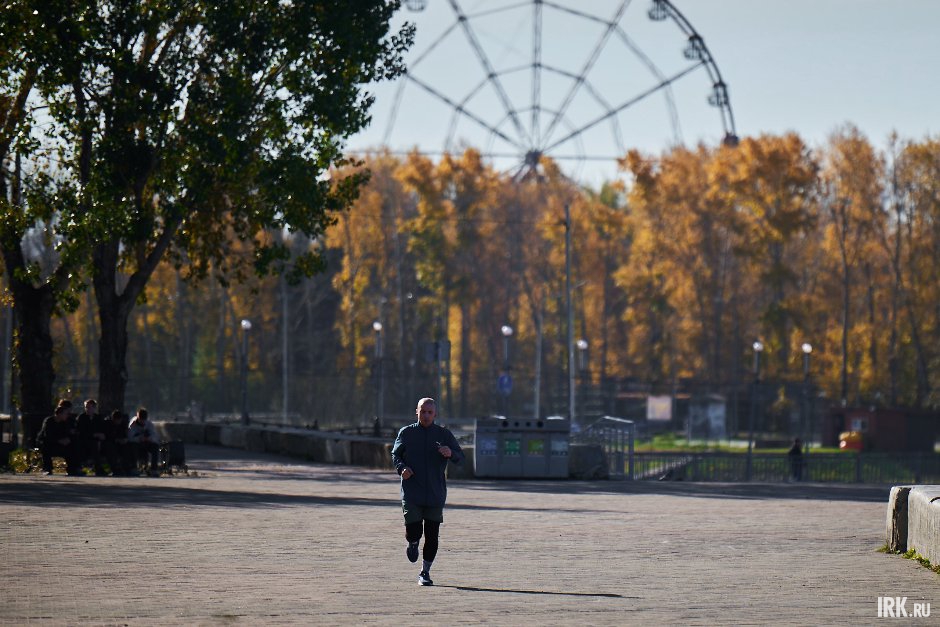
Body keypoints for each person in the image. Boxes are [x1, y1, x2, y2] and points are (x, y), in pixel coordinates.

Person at [391, 397, 464, 586]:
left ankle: (425, 572)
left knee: (432, 534)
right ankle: (413, 542)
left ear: (435, 414)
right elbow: (395, 455)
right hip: (412, 491)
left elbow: (460, 456)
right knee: (414, 530)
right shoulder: (406, 433)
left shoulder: (443, 434)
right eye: (423, 411)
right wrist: (402, 468)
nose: (426, 415)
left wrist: (451, 453)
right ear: (416, 412)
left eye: (429, 412)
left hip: (435, 493)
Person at [37, 402, 81, 476]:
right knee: (45, 446)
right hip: (49, 442)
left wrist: (68, 439)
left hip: (60, 444)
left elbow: (67, 433)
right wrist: (59, 440)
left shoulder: (64, 422)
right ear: (60, 414)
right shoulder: (49, 421)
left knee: (72, 446)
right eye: (65, 414)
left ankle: (73, 469)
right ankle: (47, 468)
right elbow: (47, 436)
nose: (67, 415)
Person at [76, 399, 108, 475]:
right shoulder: (82, 418)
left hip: (96, 441)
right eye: (86, 407)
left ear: (94, 408)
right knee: (92, 445)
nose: (87, 409)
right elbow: (81, 432)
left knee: (105, 445)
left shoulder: (98, 418)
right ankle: (98, 468)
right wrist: (94, 435)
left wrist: (101, 436)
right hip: (84, 440)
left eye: (89, 407)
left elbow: (102, 430)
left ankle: (114, 468)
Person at [127, 407, 160, 476]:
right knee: (133, 446)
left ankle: (154, 469)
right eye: (141, 419)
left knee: (155, 446)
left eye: (144, 419)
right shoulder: (133, 424)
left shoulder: (149, 424)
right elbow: (130, 437)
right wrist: (139, 438)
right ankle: (133, 468)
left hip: (146, 443)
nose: (142, 421)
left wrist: (148, 438)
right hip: (136, 444)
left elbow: (155, 436)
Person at [104, 410, 133, 476]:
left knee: (127, 447)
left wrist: (124, 439)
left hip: (121, 443)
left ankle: (127, 468)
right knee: (110, 448)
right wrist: (116, 440)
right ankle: (115, 469)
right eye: (116, 420)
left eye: (119, 420)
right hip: (111, 443)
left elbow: (124, 435)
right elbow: (107, 436)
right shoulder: (108, 424)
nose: (118, 422)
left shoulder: (123, 424)